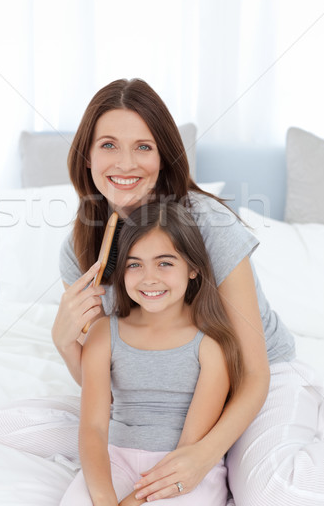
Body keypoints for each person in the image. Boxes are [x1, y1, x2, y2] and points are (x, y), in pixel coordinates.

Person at [0, 78, 324, 506]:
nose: (125, 163)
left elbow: (255, 371)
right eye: (108, 145)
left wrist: (200, 456)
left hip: (252, 382)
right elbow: (107, 379)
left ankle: (299, 421)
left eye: (144, 147)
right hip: (151, 403)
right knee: (7, 425)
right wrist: (63, 342)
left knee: (270, 491)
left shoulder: (207, 225)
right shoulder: (79, 250)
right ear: (86, 156)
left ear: (164, 156)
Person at [60, 200, 241, 506]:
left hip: (182, 469)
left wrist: (133, 501)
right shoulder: (104, 333)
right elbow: (93, 426)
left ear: (193, 268)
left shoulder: (211, 344)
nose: (149, 278)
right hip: (116, 458)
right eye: (135, 264)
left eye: (165, 263)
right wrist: (104, 498)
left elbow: (190, 447)